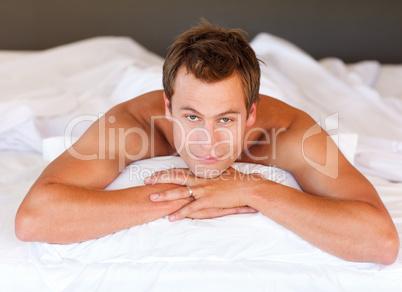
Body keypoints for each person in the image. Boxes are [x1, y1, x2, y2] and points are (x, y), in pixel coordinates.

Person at [15, 20, 399, 265]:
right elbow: (35, 217)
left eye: (226, 120)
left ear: (249, 115)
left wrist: (251, 189)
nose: (207, 142)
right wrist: (192, 192)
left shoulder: (289, 133)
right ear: (169, 107)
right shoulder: (131, 123)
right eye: (192, 117)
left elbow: (380, 241)